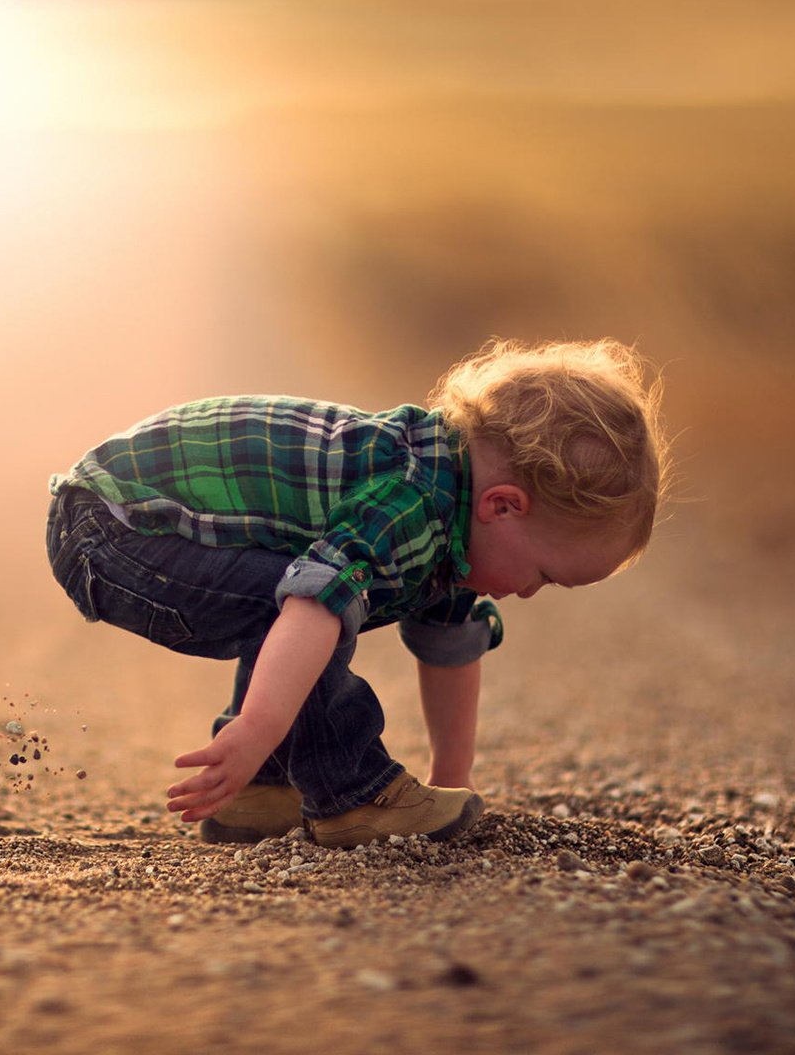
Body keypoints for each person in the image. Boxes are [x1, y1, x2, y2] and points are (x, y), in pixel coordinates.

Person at [44, 338, 671, 849]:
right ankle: (353, 795)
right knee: (306, 609)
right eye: (543, 574)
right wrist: (258, 725)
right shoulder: (409, 503)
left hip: (125, 524)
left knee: (298, 601)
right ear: (502, 506)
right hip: (112, 529)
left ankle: (264, 790)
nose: (531, 594)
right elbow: (313, 604)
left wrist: (451, 782)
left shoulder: (457, 522)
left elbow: (450, 644)